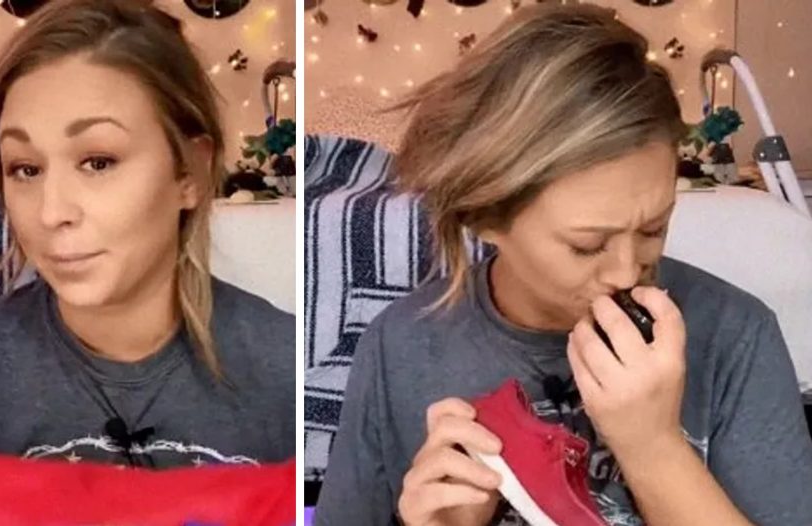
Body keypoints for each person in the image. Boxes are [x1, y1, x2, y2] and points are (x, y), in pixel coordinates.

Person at [314, 4, 812, 525]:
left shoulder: (736, 336)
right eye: (587, 245)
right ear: (482, 218)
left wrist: (653, 447)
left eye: (653, 229)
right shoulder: (400, 347)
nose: (627, 273)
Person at [0, 0, 294, 469]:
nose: (52, 213)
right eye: (25, 169)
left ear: (190, 172)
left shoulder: (285, 368)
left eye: (98, 162)